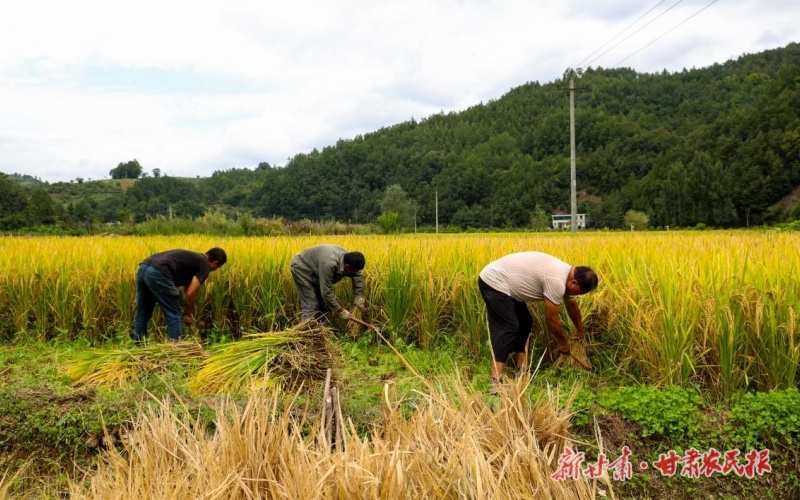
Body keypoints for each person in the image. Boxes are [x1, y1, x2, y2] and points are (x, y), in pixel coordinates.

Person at [478, 251, 598, 382]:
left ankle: (522, 370)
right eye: (578, 293)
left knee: (525, 322)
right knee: (508, 327)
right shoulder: (557, 281)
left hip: (508, 283)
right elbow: (551, 319)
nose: (576, 295)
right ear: (573, 283)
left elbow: (572, 306)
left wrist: (580, 330)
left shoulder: (567, 276)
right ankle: (495, 379)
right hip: (494, 280)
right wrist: (563, 342)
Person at [133, 247, 227, 343]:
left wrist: (186, 310)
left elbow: (188, 288)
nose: (214, 270)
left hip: (143, 268)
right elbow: (190, 295)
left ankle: (139, 343)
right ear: (215, 263)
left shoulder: (194, 260)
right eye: (217, 267)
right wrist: (188, 315)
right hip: (160, 272)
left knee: (143, 311)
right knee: (174, 314)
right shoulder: (205, 266)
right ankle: (176, 347)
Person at [290, 244, 366, 322]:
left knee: (325, 305)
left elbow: (358, 275)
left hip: (317, 270)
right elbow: (326, 292)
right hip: (302, 268)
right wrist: (340, 311)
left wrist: (358, 295)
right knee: (311, 304)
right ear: (346, 266)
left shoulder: (350, 260)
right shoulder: (329, 264)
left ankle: (322, 327)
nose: (355, 273)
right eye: (353, 271)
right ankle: (306, 328)